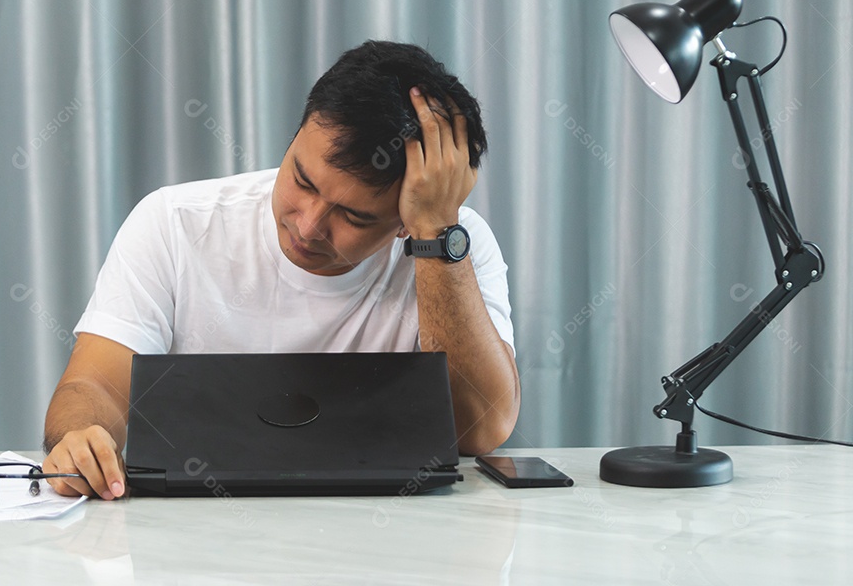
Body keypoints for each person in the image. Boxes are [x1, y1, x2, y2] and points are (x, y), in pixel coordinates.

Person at [42, 40, 520, 499]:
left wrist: (437, 237)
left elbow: (481, 430)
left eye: (353, 217)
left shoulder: (453, 247)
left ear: (403, 223)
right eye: (301, 179)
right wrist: (84, 437)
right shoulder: (174, 223)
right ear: (295, 137)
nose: (308, 225)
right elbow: (95, 384)